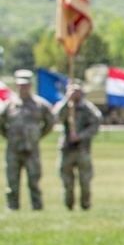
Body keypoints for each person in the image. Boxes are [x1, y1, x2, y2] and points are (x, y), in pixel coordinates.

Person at [1, 70, 55, 211]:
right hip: (13, 150)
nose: (23, 87)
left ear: (30, 85)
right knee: (12, 181)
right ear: (15, 85)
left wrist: (38, 135)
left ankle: (37, 207)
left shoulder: (40, 104)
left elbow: (50, 122)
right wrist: (9, 136)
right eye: (20, 85)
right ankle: (12, 207)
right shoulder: (9, 105)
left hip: (32, 149)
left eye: (25, 85)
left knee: (34, 181)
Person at [52, 80, 102, 210]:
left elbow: (96, 125)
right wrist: (67, 100)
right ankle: (69, 205)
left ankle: (85, 204)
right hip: (66, 149)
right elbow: (55, 117)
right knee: (67, 181)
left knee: (85, 180)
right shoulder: (65, 107)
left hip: (82, 149)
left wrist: (80, 136)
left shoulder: (87, 108)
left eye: (77, 91)